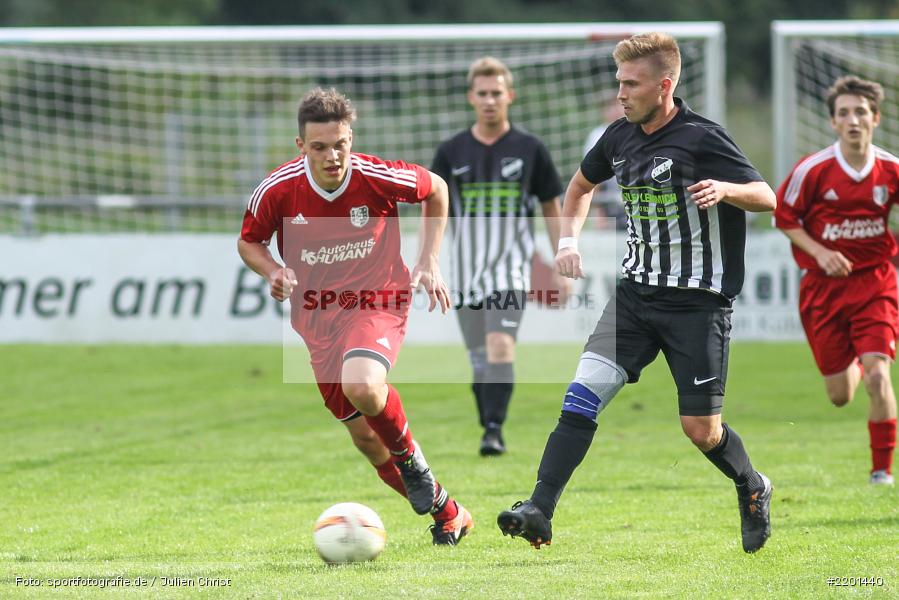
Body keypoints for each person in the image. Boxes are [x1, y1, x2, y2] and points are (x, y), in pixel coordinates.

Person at [496, 32, 777, 553]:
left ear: (664, 86)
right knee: (581, 397)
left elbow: (766, 196)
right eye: (618, 82)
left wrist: (726, 189)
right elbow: (578, 187)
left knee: (700, 430)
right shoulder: (617, 137)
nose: (621, 92)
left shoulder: (702, 138)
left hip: (698, 305)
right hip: (634, 298)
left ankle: (752, 484)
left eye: (631, 83)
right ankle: (539, 508)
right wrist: (567, 241)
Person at [238, 87, 473, 544]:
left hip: (377, 299)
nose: (332, 156)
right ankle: (449, 512)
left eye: (340, 144)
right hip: (318, 319)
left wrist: (429, 259)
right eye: (320, 147)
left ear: (351, 139)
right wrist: (273, 269)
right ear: (301, 146)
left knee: (363, 385)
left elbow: (437, 189)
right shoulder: (279, 188)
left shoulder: (377, 176)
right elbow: (249, 241)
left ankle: (411, 460)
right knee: (366, 440)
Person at [431, 56, 565, 456]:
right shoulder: (451, 152)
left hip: (512, 270)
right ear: (472, 98)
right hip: (466, 270)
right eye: (483, 94)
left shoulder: (530, 149)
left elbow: (551, 206)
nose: (490, 100)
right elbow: (434, 210)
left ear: (510, 96)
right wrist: (430, 260)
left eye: (497, 93)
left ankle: (494, 431)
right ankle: (488, 422)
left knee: (500, 345)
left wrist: (562, 262)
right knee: (479, 358)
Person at [774, 76, 898, 486]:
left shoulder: (891, 169)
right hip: (822, 290)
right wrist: (821, 252)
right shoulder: (813, 170)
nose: (853, 120)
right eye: (844, 113)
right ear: (832, 122)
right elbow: (784, 216)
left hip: (876, 284)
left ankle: (881, 471)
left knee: (880, 375)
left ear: (875, 118)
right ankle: (862, 360)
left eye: (861, 111)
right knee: (840, 395)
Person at [583, 96, 627, 230]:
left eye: (618, 106)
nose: (615, 110)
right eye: (610, 107)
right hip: (611, 204)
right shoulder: (597, 136)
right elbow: (592, 179)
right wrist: (599, 213)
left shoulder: (637, 130)